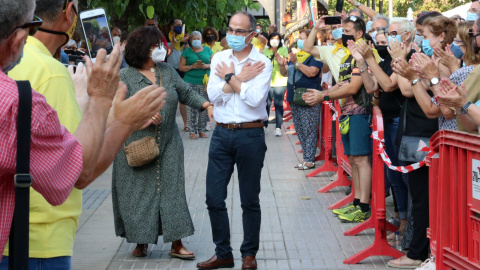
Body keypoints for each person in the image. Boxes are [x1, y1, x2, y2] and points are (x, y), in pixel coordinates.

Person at [0, 0, 167, 264]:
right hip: (35, 240)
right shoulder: (49, 73)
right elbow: (77, 170)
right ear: (68, 12)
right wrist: (119, 118)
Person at [113, 26, 214, 259]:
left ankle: (177, 243)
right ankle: (141, 241)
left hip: (169, 142)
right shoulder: (124, 77)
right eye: (157, 45)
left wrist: (206, 105)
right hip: (136, 144)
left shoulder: (167, 70)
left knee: (172, 192)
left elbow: (186, 92)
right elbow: (115, 110)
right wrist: (142, 117)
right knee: (138, 193)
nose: (162, 48)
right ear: (143, 48)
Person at [196, 11, 272, 270]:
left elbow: (254, 100)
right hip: (221, 134)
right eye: (230, 29)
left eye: (240, 31)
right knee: (214, 198)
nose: (233, 35)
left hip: (251, 134)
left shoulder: (262, 62)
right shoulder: (219, 57)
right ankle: (223, 253)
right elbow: (213, 96)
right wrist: (239, 80)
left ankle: (249, 254)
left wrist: (229, 78)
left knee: (249, 199)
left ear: (252, 34)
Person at [303, 16, 379, 224]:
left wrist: (323, 96)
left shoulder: (364, 55)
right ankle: (356, 201)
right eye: (341, 30)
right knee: (353, 159)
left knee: (362, 160)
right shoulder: (347, 56)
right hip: (347, 112)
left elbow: (353, 88)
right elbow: (341, 84)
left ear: (359, 34)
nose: (342, 34)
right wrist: (320, 94)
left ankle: (364, 206)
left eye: (346, 30)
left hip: (361, 112)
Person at [278, 29, 323, 168]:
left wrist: (297, 62)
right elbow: (286, 73)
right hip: (293, 96)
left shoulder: (316, 56)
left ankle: (310, 161)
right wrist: (281, 64)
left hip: (308, 96)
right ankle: (306, 158)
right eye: (300, 38)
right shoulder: (296, 56)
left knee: (309, 129)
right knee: (300, 129)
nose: (301, 41)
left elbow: (311, 73)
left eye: (305, 38)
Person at [179, 31, 213, 139]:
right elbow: (181, 67)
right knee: (191, 107)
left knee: (204, 105)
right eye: (194, 38)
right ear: (191, 40)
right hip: (190, 81)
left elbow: (215, 64)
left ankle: (202, 130)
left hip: (205, 82)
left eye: (198, 38)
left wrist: (206, 65)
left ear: (202, 40)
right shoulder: (187, 52)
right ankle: (192, 131)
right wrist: (191, 67)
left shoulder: (208, 50)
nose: (197, 40)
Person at [304, 20, 346, 84]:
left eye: (340, 26)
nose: (338, 29)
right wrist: (315, 28)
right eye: (334, 28)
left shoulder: (356, 46)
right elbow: (307, 48)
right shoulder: (330, 50)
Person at [263, 32, 289, 136]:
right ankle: (264, 126)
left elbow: (285, 63)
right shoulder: (264, 51)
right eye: (272, 38)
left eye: (277, 38)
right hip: (267, 82)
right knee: (266, 104)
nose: (274, 40)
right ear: (269, 40)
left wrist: (278, 57)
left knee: (278, 104)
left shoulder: (283, 50)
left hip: (280, 81)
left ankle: (278, 127)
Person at [166, 18, 190, 131]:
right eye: (177, 25)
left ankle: (186, 124)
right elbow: (165, 54)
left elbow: (189, 54)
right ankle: (170, 124)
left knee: (183, 99)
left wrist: (185, 43)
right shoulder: (166, 39)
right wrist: (174, 43)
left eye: (181, 25)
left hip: (182, 72)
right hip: (170, 71)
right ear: (172, 27)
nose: (179, 27)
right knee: (170, 99)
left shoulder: (184, 39)